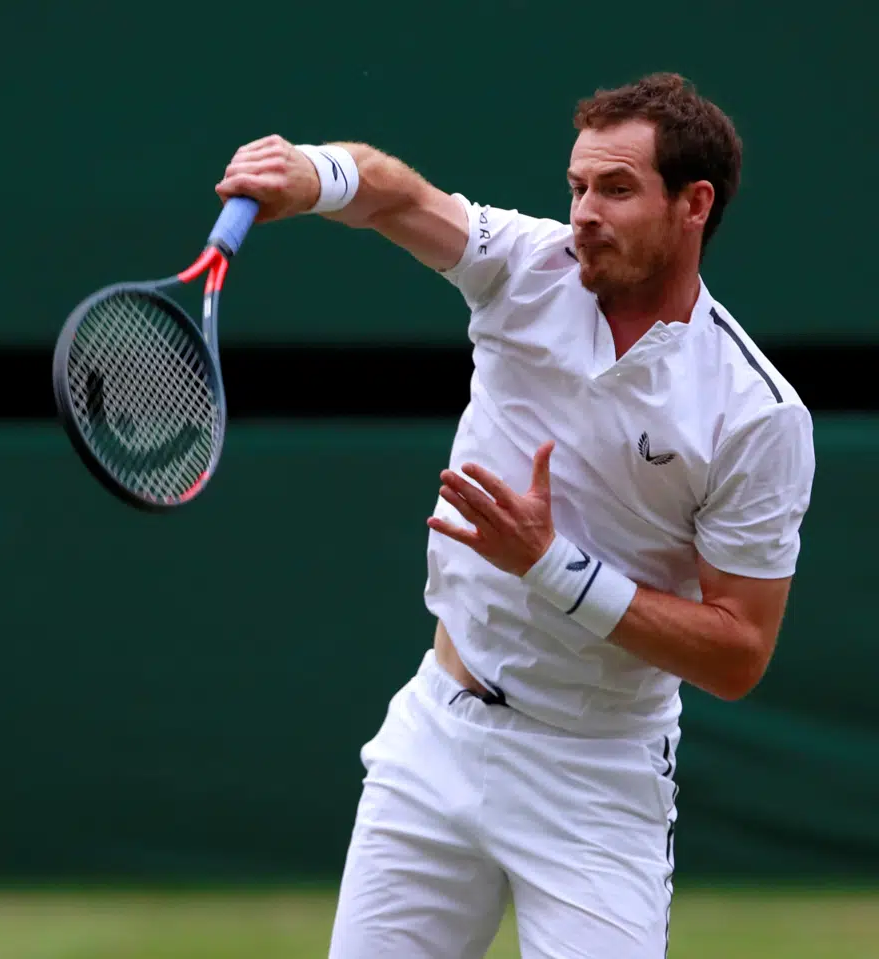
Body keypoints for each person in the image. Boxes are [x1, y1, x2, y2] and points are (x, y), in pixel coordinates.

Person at [214, 73, 816, 957]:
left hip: (597, 774)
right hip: (437, 734)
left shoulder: (757, 414)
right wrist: (312, 173)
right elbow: (399, 196)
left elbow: (738, 653)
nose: (585, 214)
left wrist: (552, 566)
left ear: (694, 204)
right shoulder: (528, 265)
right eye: (578, 187)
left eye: (617, 189)